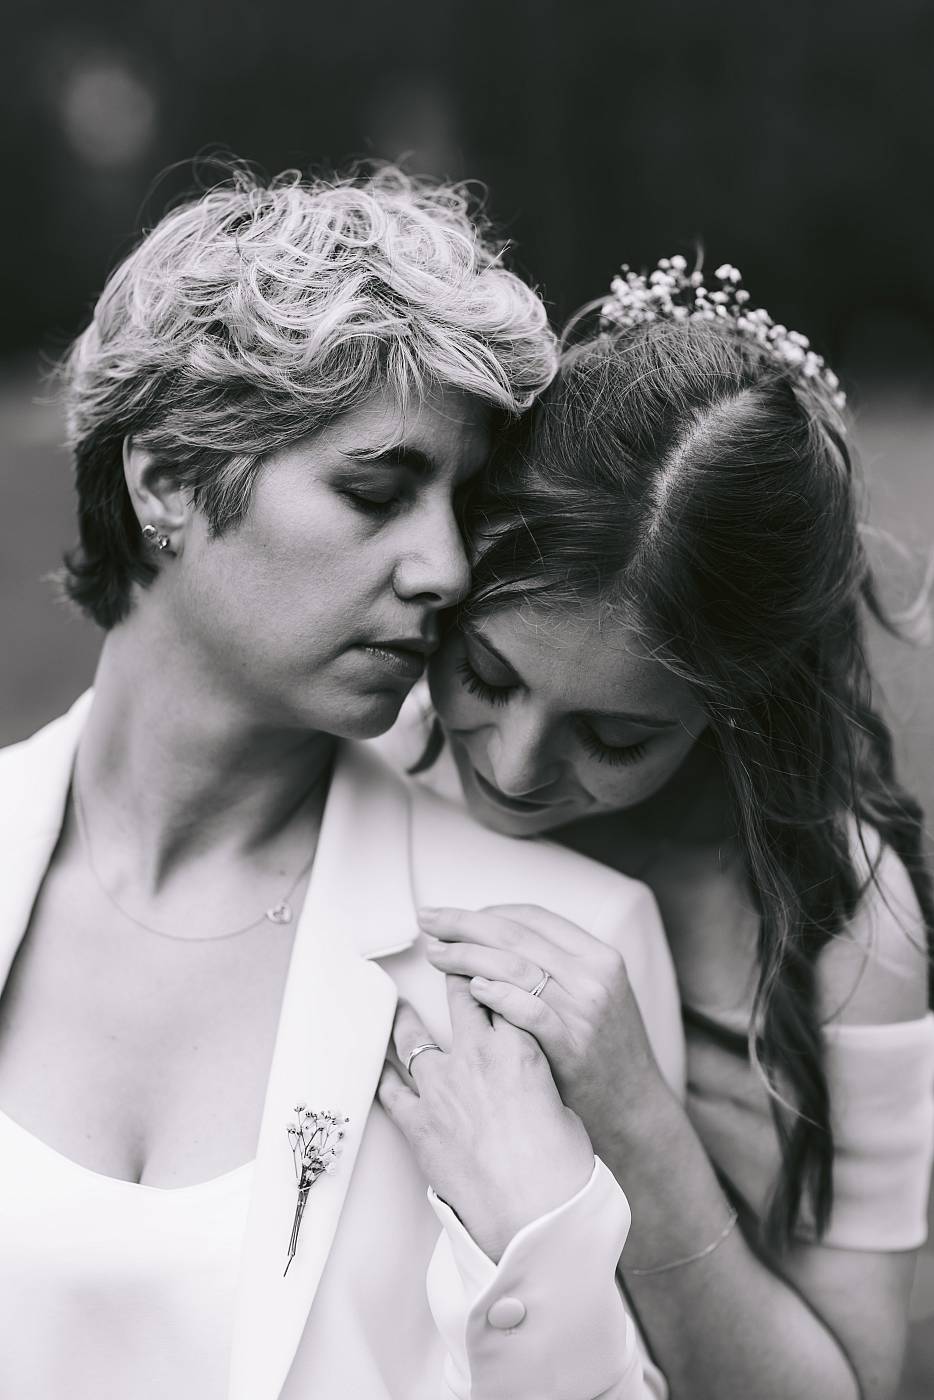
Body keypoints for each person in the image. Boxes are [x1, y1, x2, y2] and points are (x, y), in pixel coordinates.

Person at [0, 167, 688, 1400]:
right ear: (164, 478)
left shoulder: (549, 962)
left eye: (462, 507)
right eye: (376, 491)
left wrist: (543, 1252)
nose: (444, 568)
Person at [381, 257, 934, 1400]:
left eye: (615, 736)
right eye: (485, 673)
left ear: (733, 704)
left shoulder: (843, 924)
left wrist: (637, 1116)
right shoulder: (369, 759)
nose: (513, 765)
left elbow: (849, 1384)